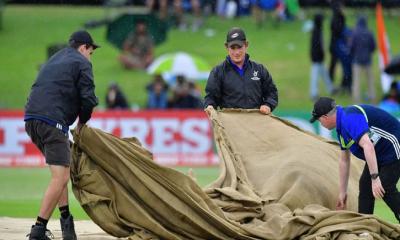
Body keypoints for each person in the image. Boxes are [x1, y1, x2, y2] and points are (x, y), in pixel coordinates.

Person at [24, 30, 99, 240]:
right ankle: (38, 230)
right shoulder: (82, 63)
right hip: (52, 121)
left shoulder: (57, 58)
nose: (90, 57)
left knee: (60, 172)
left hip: (31, 119)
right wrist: (82, 124)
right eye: (91, 52)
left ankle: (66, 224)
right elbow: (88, 99)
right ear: (84, 47)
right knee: (61, 176)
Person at [310, 97, 400, 223]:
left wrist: (375, 178)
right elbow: (344, 160)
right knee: (365, 187)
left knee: (384, 186)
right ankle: (364, 229)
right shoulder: (342, 126)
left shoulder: (349, 119)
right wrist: (342, 193)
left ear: (325, 116)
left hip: (394, 145)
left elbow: (368, 145)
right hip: (381, 153)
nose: (320, 124)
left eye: (319, 120)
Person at [204, 27, 278, 115]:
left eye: (239, 47)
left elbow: (272, 93)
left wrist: (268, 105)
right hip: (230, 123)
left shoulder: (259, 69)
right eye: (233, 48)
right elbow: (210, 97)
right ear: (226, 47)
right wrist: (210, 106)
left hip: (257, 121)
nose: (237, 52)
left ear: (246, 45)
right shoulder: (218, 71)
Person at [350, 15, 376, 104]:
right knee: (370, 80)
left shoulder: (355, 32)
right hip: (368, 60)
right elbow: (373, 46)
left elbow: (351, 47)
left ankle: (356, 99)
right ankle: (372, 96)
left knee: (356, 81)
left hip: (357, 60)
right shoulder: (369, 32)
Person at [309, 13, 334, 101]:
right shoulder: (317, 31)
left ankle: (330, 88)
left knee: (324, 73)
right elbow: (318, 46)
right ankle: (313, 93)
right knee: (315, 76)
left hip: (318, 57)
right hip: (317, 57)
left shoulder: (317, 30)